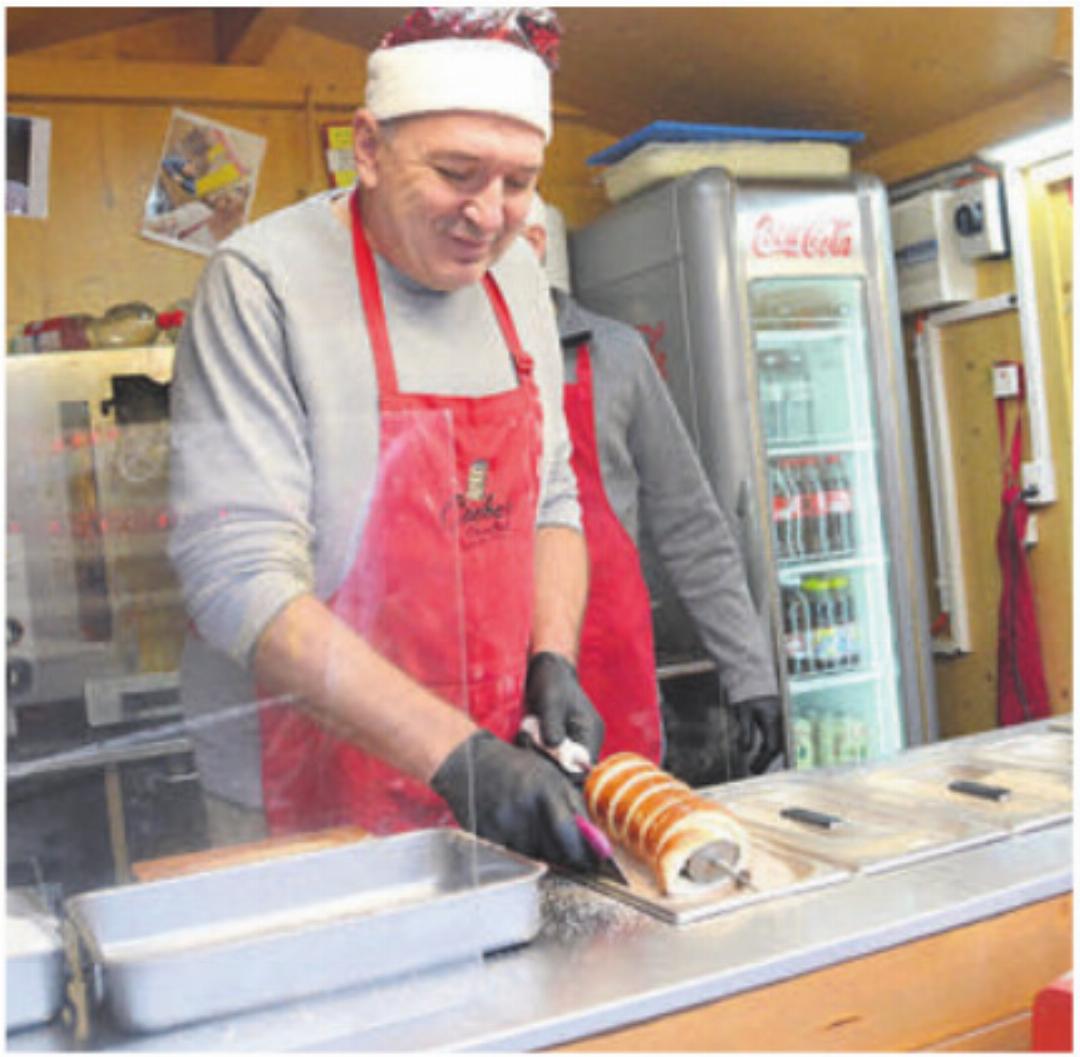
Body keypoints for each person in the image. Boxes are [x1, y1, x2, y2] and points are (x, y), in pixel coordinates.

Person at [168, 8, 605, 872]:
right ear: (367, 148)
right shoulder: (261, 285)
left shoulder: (515, 276)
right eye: (456, 172)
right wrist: (460, 758)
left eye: (519, 183)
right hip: (302, 773)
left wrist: (552, 652)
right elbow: (237, 579)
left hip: (487, 764)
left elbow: (552, 494)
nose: (488, 215)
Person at [522, 196, 783, 776]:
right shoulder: (451, 367)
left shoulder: (618, 355)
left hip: (610, 663)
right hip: (497, 676)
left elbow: (689, 522)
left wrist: (750, 675)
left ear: (534, 247)